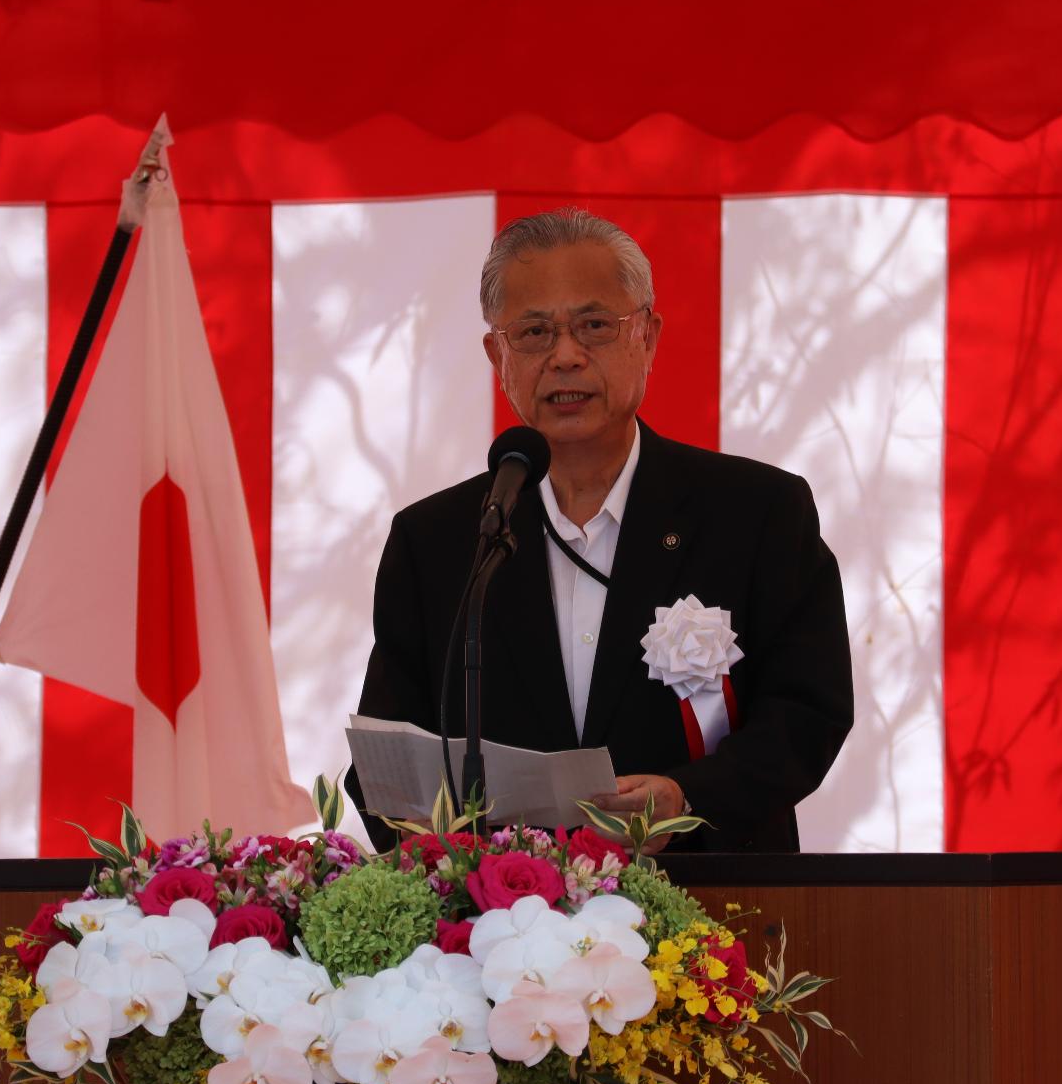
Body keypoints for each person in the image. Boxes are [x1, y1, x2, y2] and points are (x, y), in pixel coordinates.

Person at [348, 207, 852, 853]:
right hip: (496, 929)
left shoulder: (757, 512)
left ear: (647, 335)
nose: (565, 356)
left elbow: (809, 714)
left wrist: (686, 797)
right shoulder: (439, 541)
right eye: (533, 332)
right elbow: (385, 762)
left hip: (715, 916)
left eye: (594, 326)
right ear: (496, 353)